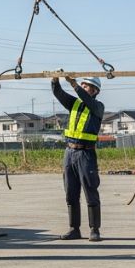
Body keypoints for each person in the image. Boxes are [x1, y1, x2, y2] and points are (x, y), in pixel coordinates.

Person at [51, 75, 105, 242]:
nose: (83, 86)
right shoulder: (74, 103)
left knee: (90, 190)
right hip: (69, 153)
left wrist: (74, 84)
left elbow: (85, 97)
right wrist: (55, 80)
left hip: (85, 154)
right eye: (82, 84)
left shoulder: (97, 106)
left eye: (87, 85)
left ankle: (94, 229)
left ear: (95, 91)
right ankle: (74, 229)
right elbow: (59, 93)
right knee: (71, 192)